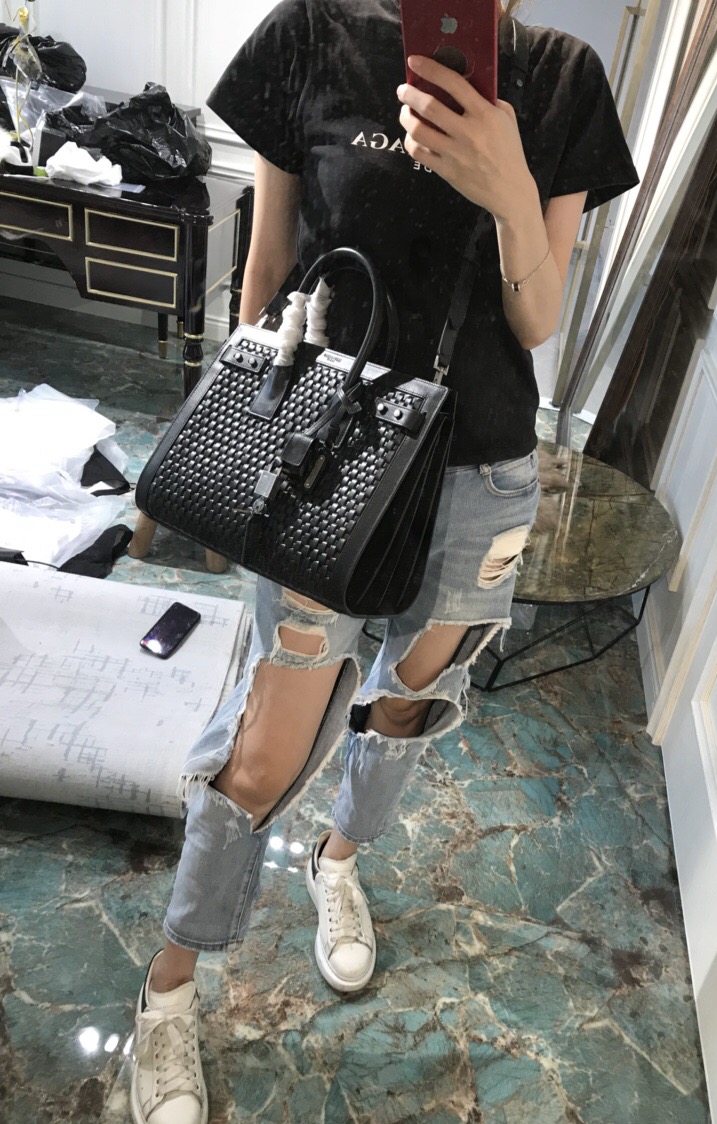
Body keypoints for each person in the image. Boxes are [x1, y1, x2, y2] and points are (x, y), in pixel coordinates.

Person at [129, 1, 639, 1120]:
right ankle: (167, 991)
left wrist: (508, 187)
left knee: (407, 704)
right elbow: (268, 268)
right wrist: (240, 452)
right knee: (266, 747)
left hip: (480, 478)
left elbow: (537, 320)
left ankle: (339, 861)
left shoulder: (561, 79)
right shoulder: (310, 32)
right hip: (325, 461)